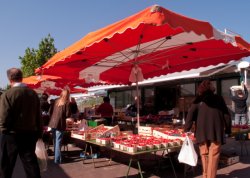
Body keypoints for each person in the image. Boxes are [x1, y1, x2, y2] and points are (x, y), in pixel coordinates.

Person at [0, 68, 43, 178]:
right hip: (30, 134)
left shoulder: (7, 95)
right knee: (31, 164)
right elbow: (39, 116)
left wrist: (3, 132)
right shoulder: (33, 94)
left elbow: (3, 118)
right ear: (22, 77)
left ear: (10, 79)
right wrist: (39, 132)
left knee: (6, 165)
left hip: (11, 135)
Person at [184, 80, 231, 178]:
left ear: (200, 89)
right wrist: (228, 129)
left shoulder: (198, 100)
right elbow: (226, 115)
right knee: (213, 157)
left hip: (201, 132)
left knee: (204, 155)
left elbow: (190, 114)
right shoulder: (219, 98)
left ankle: (206, 176)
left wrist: (187, 129)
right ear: (212, 88)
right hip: (216, 132)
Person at [48, 89, 71, 164]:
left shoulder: (55, 100)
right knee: (58, 142)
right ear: (67, 95)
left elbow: (50, 112)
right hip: (60, 124)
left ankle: (56, 157)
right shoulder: (67, 103)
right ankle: (57, 160)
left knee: (55, 141)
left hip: (52, 123)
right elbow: (68, 115)